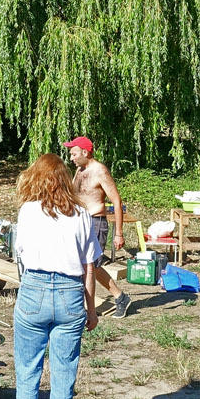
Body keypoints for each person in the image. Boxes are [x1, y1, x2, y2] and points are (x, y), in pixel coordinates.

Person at [10, 153, 100, 399]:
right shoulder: (82, 214)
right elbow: (90, 269)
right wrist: (91, 309)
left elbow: (20, 257)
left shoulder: (28, 212)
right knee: (64, 369)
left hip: (33, 289)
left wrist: (29, 291)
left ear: (34, 178)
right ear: (65, 180)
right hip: (70, 293)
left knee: (27, 365)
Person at [64, 136, 131, 318]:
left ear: (85, 152)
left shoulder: (100, 171)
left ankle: (119, 297)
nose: (71, 158)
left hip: (95, 223)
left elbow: (116, 201)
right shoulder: (79, 170)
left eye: (74, 154)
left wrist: (118, 233)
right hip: (78, 222)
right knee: (84, 265)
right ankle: (114, 298)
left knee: (92, 265)